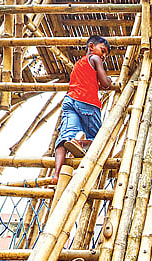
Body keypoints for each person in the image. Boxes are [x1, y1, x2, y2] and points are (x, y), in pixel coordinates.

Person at [51, 35, 116, 184]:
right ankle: (82, 143)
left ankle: (56, 174)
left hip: (70, 101)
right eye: (103, 50)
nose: (104, 56)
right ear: (91, 47)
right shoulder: (94, 59)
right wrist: (109, 81)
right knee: (100, 140)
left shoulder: (78, 63)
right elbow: (105, 83)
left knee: (64, 138)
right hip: (87, 103)